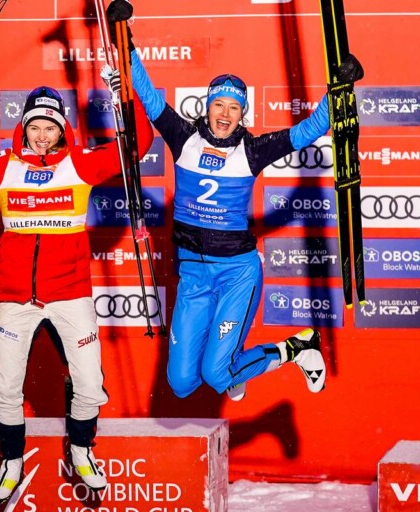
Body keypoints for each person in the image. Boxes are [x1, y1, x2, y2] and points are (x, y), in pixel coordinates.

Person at [105, 0, 364, 401]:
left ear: (243, 113)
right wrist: (126, 37)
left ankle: (296, 348)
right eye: (218, 104)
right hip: (192, 273)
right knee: (181, 384)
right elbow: (145, 90)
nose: (225, 113)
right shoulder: (182, 136)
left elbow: (311, 128)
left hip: (236, 273)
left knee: (215, 374)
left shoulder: (254, 150)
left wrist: (340, 88)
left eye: (234, 107)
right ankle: (233, 369)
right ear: (207, 108)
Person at [0, 84, 153, 502]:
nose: (42, 135)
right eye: (35, 126)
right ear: (24, 127)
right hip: (15, 297)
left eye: (50, 127)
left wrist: (129, 96)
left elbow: (136, 146)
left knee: (89, 384)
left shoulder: (81, 163)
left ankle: (82, 449)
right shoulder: (4, 165)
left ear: (62, 129)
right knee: (6, 388)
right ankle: (11, 462)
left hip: (70, 292)